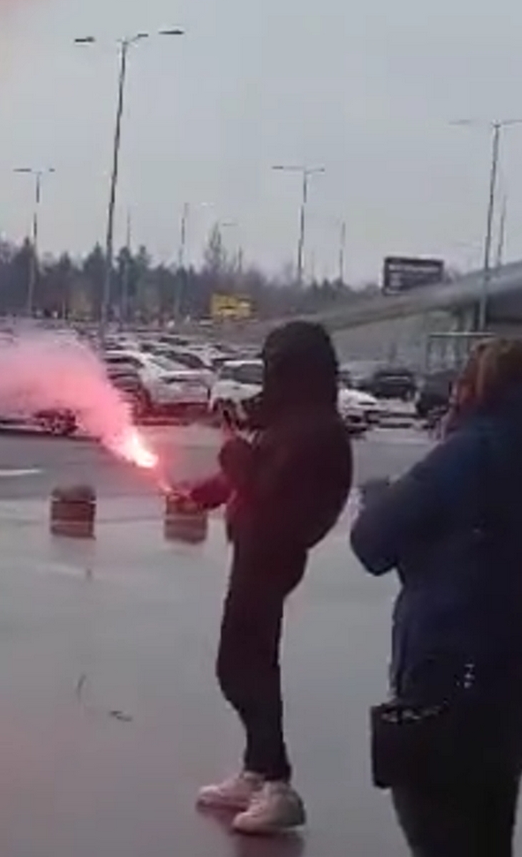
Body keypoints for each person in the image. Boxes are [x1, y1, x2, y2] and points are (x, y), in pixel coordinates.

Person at [350, 339, 522, 857]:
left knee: (438, 830)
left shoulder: (472, 451)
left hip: (448, 680)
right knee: (488, 831)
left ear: (481, 388)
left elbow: (372, 543)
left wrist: (378, 496)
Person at [176, 320, 352, 835]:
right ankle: (257, 770)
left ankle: (277, 783)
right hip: (258, 549)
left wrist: (234, 458)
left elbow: (269, 488)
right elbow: (257, 474)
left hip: (272, 554)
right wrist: (208, 491)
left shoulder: (315, 430)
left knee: (243, 666)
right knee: (248, 661)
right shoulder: (296, 418)